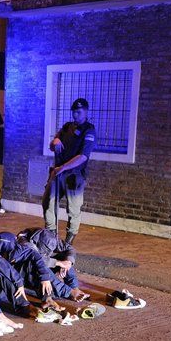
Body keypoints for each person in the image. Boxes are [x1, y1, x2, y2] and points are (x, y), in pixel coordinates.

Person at [44, 97, 96, 245]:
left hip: (74, 176)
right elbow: (52, 144)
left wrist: (63, 167)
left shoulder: (89, 130)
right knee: (48, 203)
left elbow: (83, 157)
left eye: (78, 112)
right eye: (74, 112)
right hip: (57, 173)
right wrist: (55, 141)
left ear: (85, 112)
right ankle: (51, 238)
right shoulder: (67, 127)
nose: (75, 115)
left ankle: (67, 243)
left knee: (73, 209)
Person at [0, 231, 59, 318]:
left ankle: (47, 299)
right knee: (3, 272)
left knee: (31, 264)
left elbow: (36, 256)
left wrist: (45, 278)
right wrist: (19, 282)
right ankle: (24, 307)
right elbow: (0, 263)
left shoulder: (17, 244)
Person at [17, 227, 89, 301]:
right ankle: (69, 292)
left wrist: (68, 262)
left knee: (65, 257)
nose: (49, 252)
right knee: (41, 266)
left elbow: (70, 248)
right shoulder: (24, 242)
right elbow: (37, 260)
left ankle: (74, 288)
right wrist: (58, 263)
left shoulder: (48, 237)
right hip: (25, 272)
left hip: (41, 265)